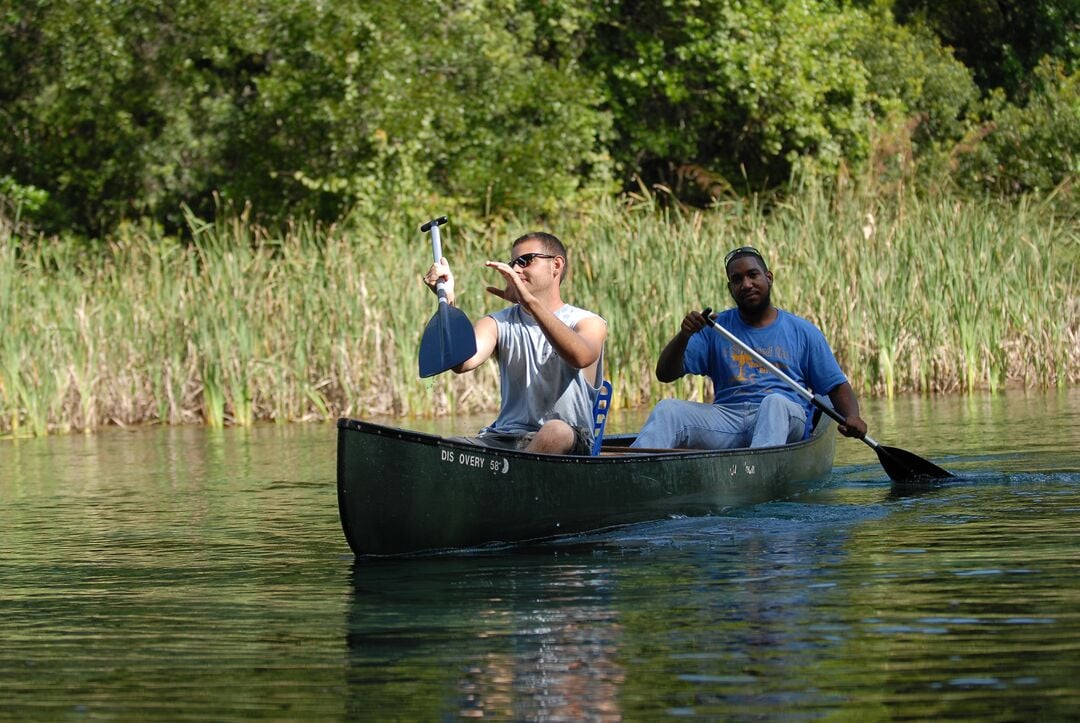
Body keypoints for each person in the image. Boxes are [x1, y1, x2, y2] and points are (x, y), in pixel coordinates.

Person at [632, 245, 867, 450]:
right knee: (668, 409)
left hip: (784, 416)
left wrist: (853, 417)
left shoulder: (803, 332)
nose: (746, 284)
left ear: (769, 278)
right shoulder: (715, 328)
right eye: (737, 279)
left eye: (753, 275)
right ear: (730, 288)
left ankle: (760, 478)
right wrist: (684, 335)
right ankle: (634, 474)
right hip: (729, 418)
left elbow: (836, 388)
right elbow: (664, 374)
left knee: (773, 403)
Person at [423, 231, 608, 455]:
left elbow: (580, 356)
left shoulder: (588, 322)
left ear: (556, 266)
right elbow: (462, 362)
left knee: (555, 431)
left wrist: (529, 303)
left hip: (569, 439)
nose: (515, 270)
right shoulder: (497, 323)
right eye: (512, 263)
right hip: (504, 438)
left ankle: (511, 480)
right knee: (452, 447)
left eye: (525, 261)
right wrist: (446, 299)